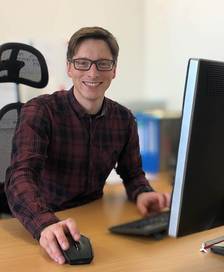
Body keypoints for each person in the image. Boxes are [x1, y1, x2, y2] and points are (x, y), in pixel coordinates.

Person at [5, 26, 170, 265]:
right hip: (46, 218)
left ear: (114, 70)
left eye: (103, 63)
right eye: (82, 63)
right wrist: (45, 224)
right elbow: (20, 177)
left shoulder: (124, 120)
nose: (92, 72)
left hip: (93, 216)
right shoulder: (40, 111)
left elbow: (133, 174)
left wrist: (143, 193)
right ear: (69, 67)